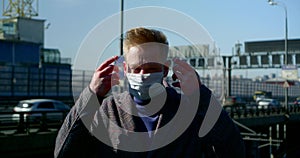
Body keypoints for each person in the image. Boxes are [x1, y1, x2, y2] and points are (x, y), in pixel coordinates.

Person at [54, 27, 245, 158]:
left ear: (165, 69)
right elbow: (63, 153)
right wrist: (91, 95)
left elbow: (233, 151)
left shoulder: (188, 110)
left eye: (152, 68)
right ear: (126, 69)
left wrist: (200, 95)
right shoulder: (107, 111)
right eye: (137, 69)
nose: (144, 75)